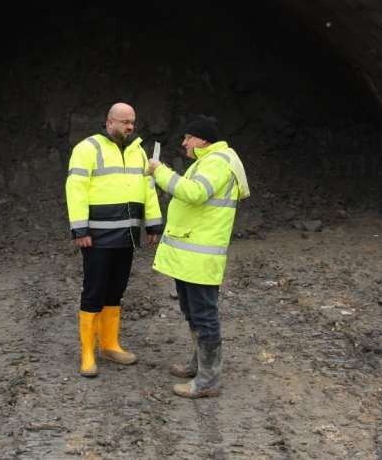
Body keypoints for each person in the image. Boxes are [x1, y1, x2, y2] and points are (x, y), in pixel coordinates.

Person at [148, 116, 250, 398]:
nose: (184, 143)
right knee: (193, 311)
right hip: (191, 255)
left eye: (188, 137)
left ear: (202, 139)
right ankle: (200, 366)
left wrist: (160, 172)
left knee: (204, 315)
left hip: (200, 256)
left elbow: (195, 193)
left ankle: (208, 381)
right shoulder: (207, 161)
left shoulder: (217, 162)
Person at [66, 102, 163, 378]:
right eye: (124, 121)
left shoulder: (138, 152)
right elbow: (75, 188)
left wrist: (153, 223)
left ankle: (109, 345)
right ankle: (88, 353)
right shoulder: (88, 148)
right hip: (97, 237)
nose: (130, 126)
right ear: (109, 122)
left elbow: (148, 188)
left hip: (126, 236)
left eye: (132, 122)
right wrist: (80, 229)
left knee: (115, 292)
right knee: (94, 291)